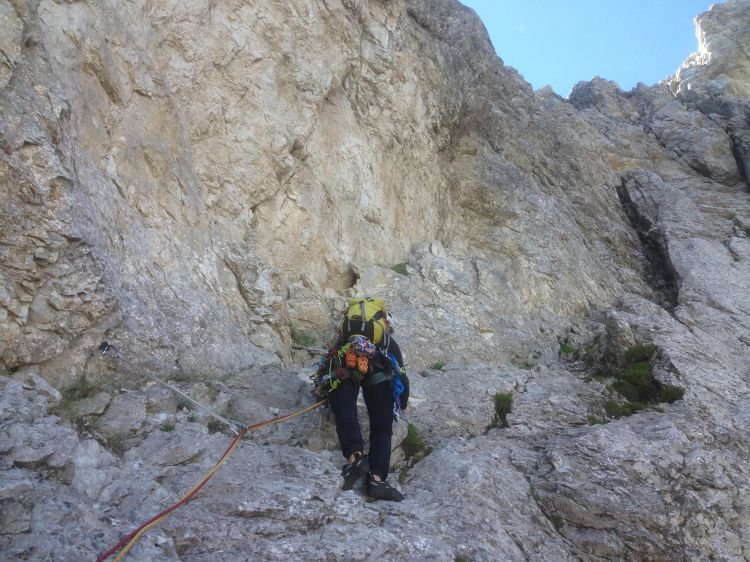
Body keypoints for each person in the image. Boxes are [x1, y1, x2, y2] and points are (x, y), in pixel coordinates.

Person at [321, 309, 409, 502]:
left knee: (345, 409)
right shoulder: (387, 342)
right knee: (382, 427)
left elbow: (329, 363)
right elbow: (401, 375)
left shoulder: (345, 336)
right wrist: (403, 403)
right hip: (379, 374)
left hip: (347, 363)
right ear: (385, 326)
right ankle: (377, 480)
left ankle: (355, 460)